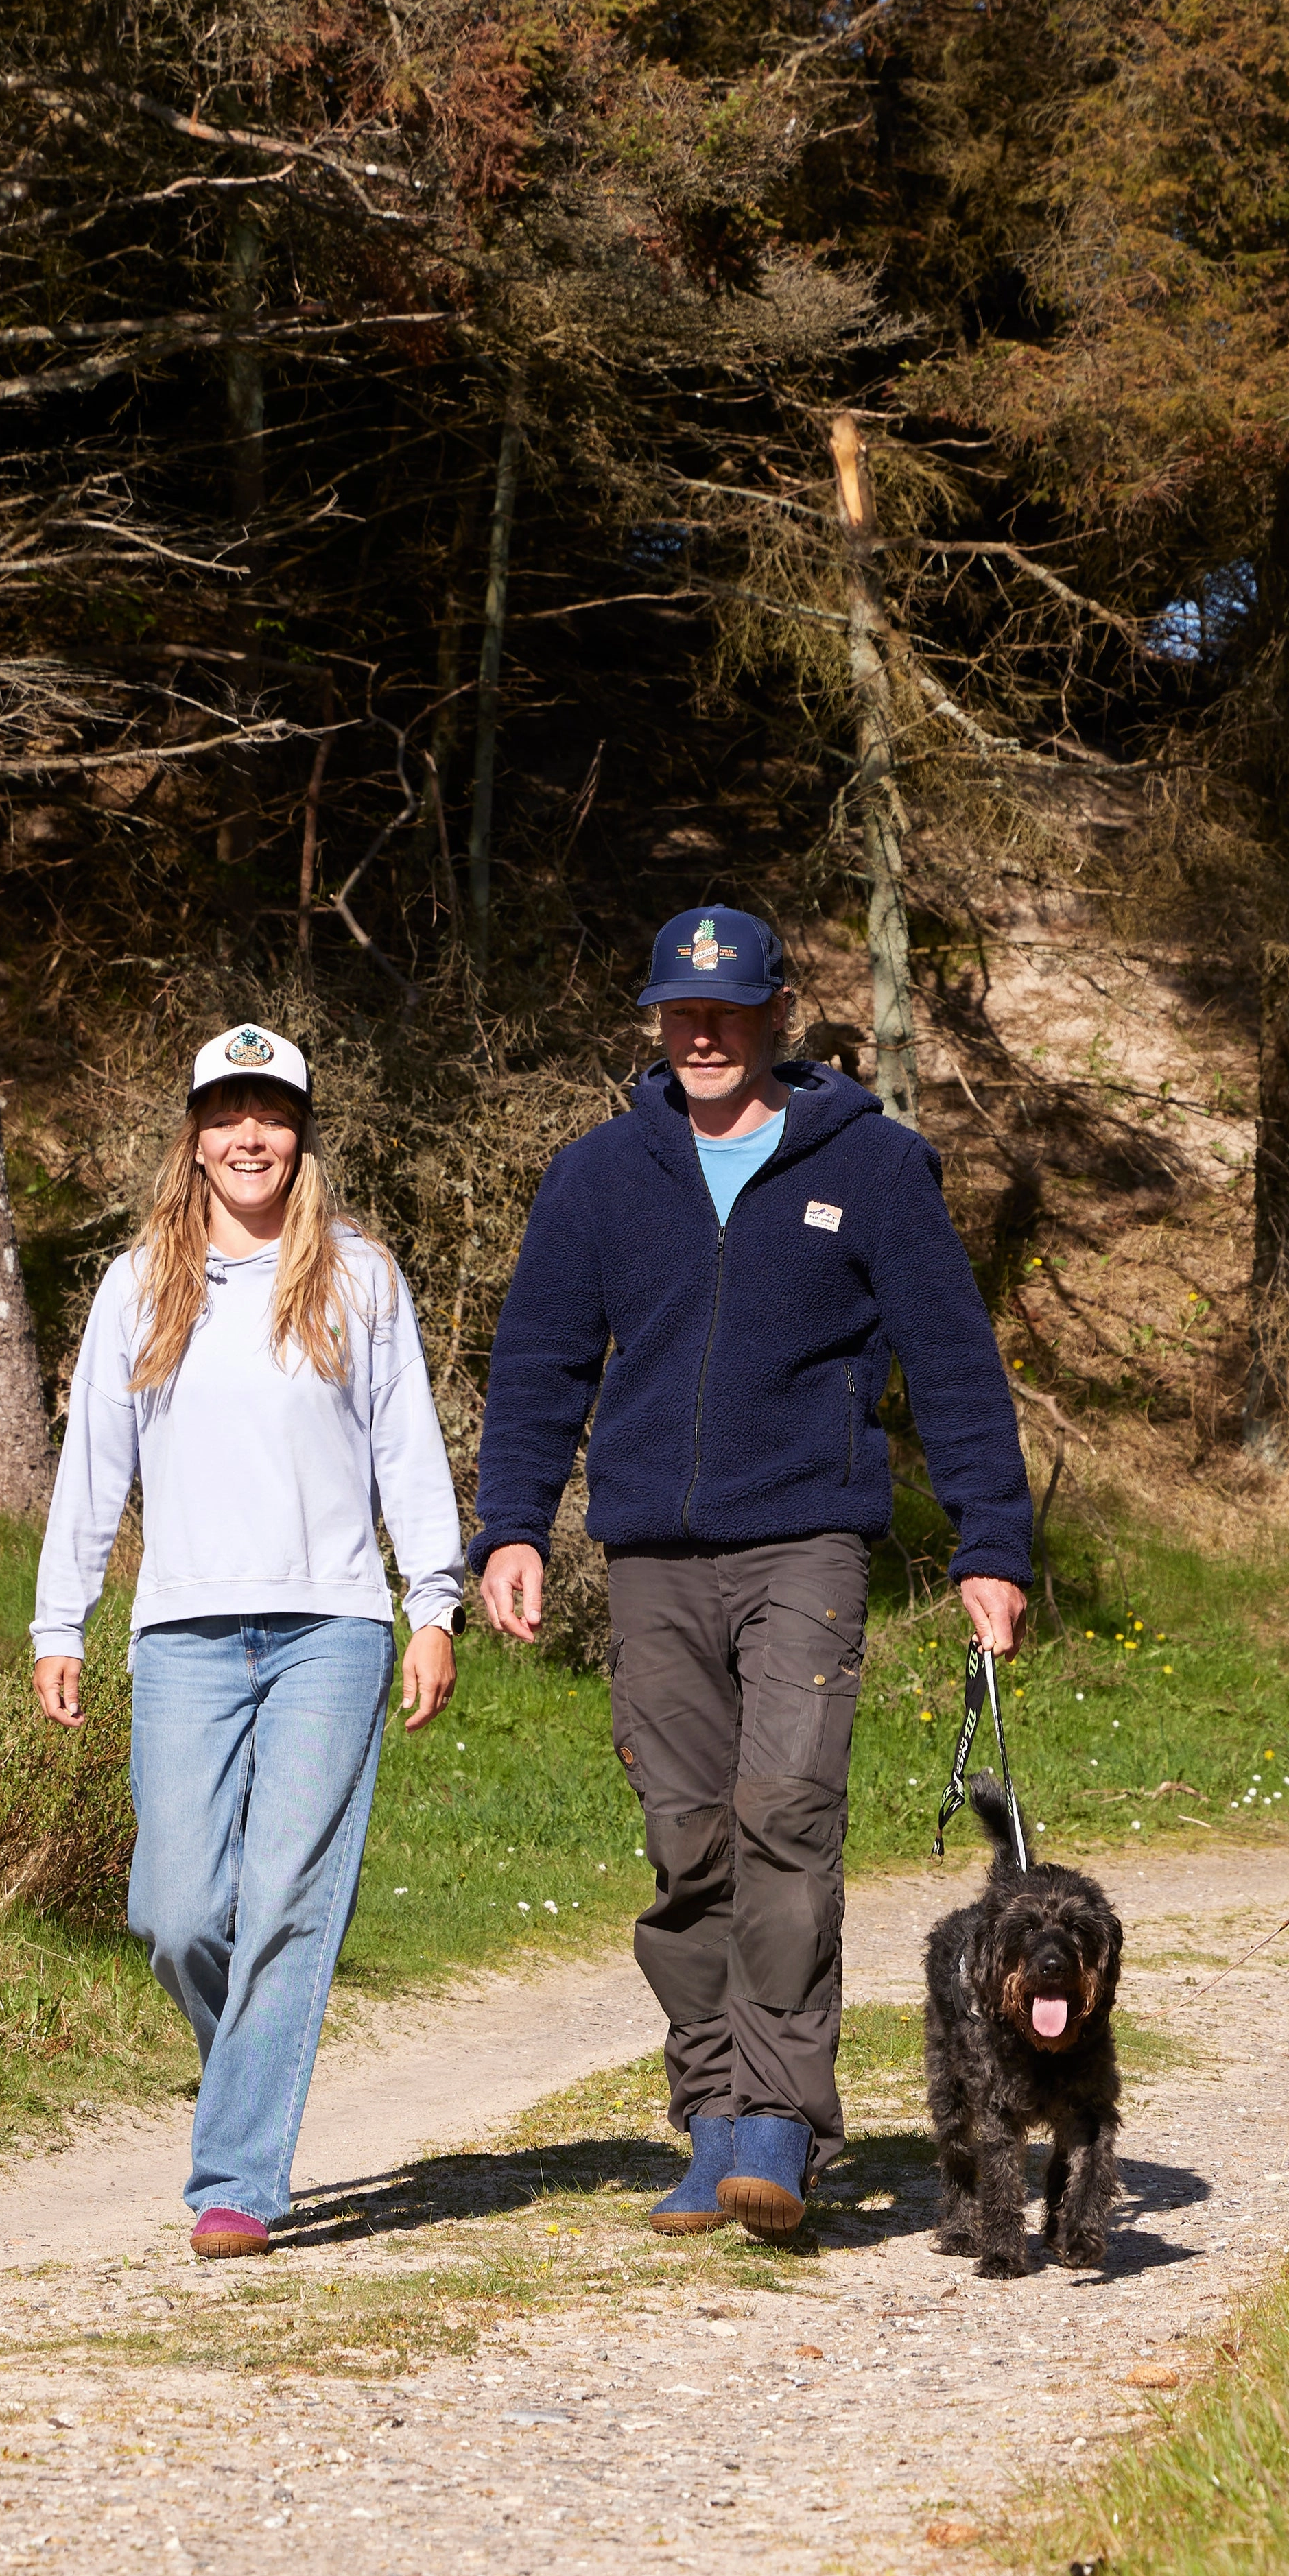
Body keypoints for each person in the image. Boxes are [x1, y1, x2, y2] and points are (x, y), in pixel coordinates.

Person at [470, 907, 1031, 2237]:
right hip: (652, 1557)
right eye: (681, 1011)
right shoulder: (598, 1176)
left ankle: (781, 2120)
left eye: (728, 1009)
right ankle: (711, 2112)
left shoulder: (879, 1171)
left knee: (787, 1810)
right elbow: (541, 1363)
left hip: (806, 1545)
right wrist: (510, 1526)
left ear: (777, 1012)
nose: (705, 1032)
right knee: (688, 1842)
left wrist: (990, 1543)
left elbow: (952, 1365)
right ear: (657, 1025)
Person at [32, 1024, 462, 2260]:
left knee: (285, 1902)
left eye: (270, 1112)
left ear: (301, 1132)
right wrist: (60, 1619)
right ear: (195, 1136)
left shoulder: (362, 1278)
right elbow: (92, 1471)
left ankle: (236, 2181)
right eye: (227, 1113)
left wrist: (431, 1603)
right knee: (173, 1912)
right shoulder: (137, 1284)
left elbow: (408, 1451)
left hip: (333, 1625)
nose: (249, 1136)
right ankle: (258, 2066)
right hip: (182, 1631)